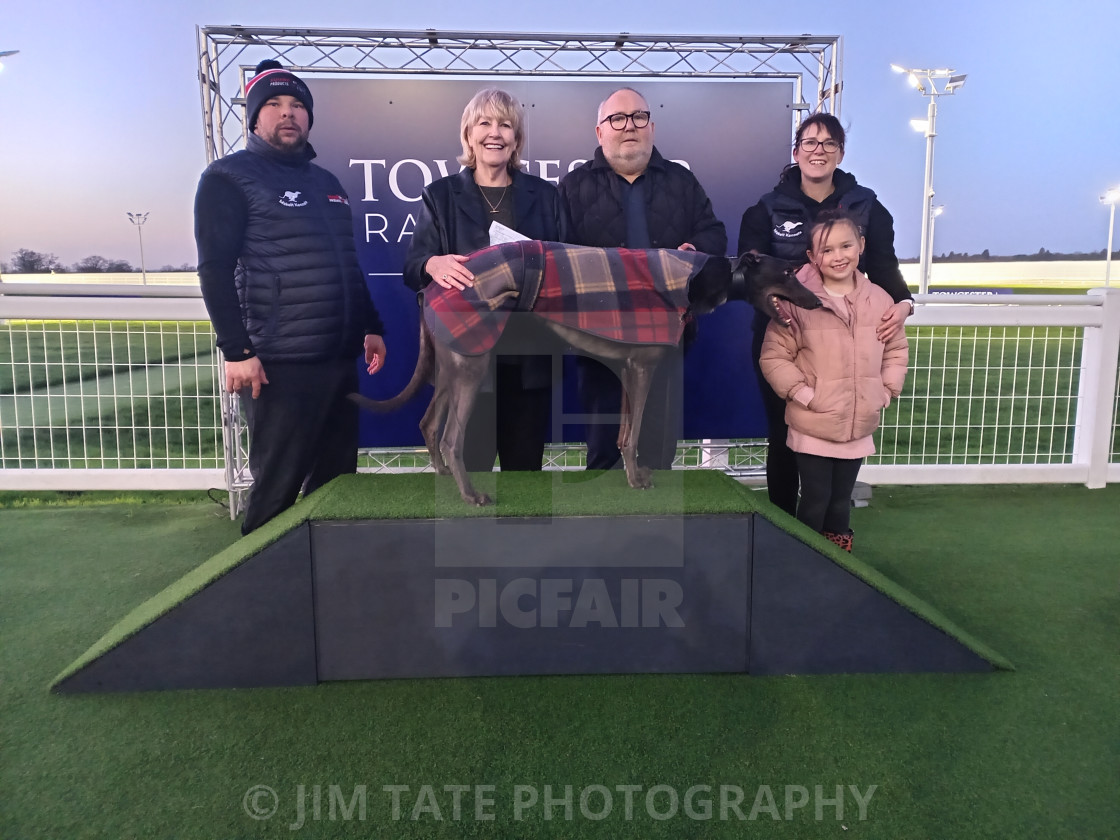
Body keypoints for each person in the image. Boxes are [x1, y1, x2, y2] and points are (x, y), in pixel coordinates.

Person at [194, 60, 388, 535]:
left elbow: (347, 264)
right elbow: (214, 270)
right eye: (275, 104)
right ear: (254, 118)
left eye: (297, 104)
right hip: (279, 363)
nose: (287, 113)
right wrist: (237, 351)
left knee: (336, 484)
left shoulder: (327, 183)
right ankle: (262, 577)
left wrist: (371, 326)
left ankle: (331, 570)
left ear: (309, 117)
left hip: (339, 358)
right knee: (276, 490)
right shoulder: (227, 177)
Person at [738, 113, 914, 516]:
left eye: (829, 143)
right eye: (810, 143)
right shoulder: (765, 209)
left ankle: (833, 526)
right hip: (787, 338)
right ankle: (785, 526)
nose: (819, 151)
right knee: (783, 432)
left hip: (845, 343)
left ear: (841, 153)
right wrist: (774, 304)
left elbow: (885, 266)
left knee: (840, 432)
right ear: (796, 151)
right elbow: (749, 274)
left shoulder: (867, 206)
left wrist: (904, 303)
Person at [558, 87, 727, 471]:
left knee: (656, 446)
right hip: (598, 339)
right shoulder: (573, 186)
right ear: (600, 131)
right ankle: (605, 507)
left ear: (652, 126)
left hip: (665, 335)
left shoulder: (681, 182)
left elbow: (713, 234)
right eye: (617, 118)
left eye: (638, 116)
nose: (629, 126)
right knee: (605, 449)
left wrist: (695, 251)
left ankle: (655, 508)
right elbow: (558, 257)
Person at [403, 88, 566, 473]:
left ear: (516, 138)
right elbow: (412, 268)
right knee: (470, 473)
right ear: (469, 135)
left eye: (505, 125)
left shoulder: (546, 195)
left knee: (525, 478)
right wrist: (432, 263)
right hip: (465, 357)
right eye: (485, 123)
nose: (495, 133)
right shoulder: (440, 196)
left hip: (529, 356)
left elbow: (564, 266)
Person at [759, 210, 909, 552]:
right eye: (827, 250)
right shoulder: (796, 304)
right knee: (816, 498)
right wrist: (805, 395)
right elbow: (774, 357)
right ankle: (803, 561)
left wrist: (885, 390)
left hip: (858, 424)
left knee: (841, 502)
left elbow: (896, 350)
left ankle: (838, 566)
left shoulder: (880, 300)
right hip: (813, 424)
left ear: (861, 246)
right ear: (812, 256)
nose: (838, 256)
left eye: (846, 246)